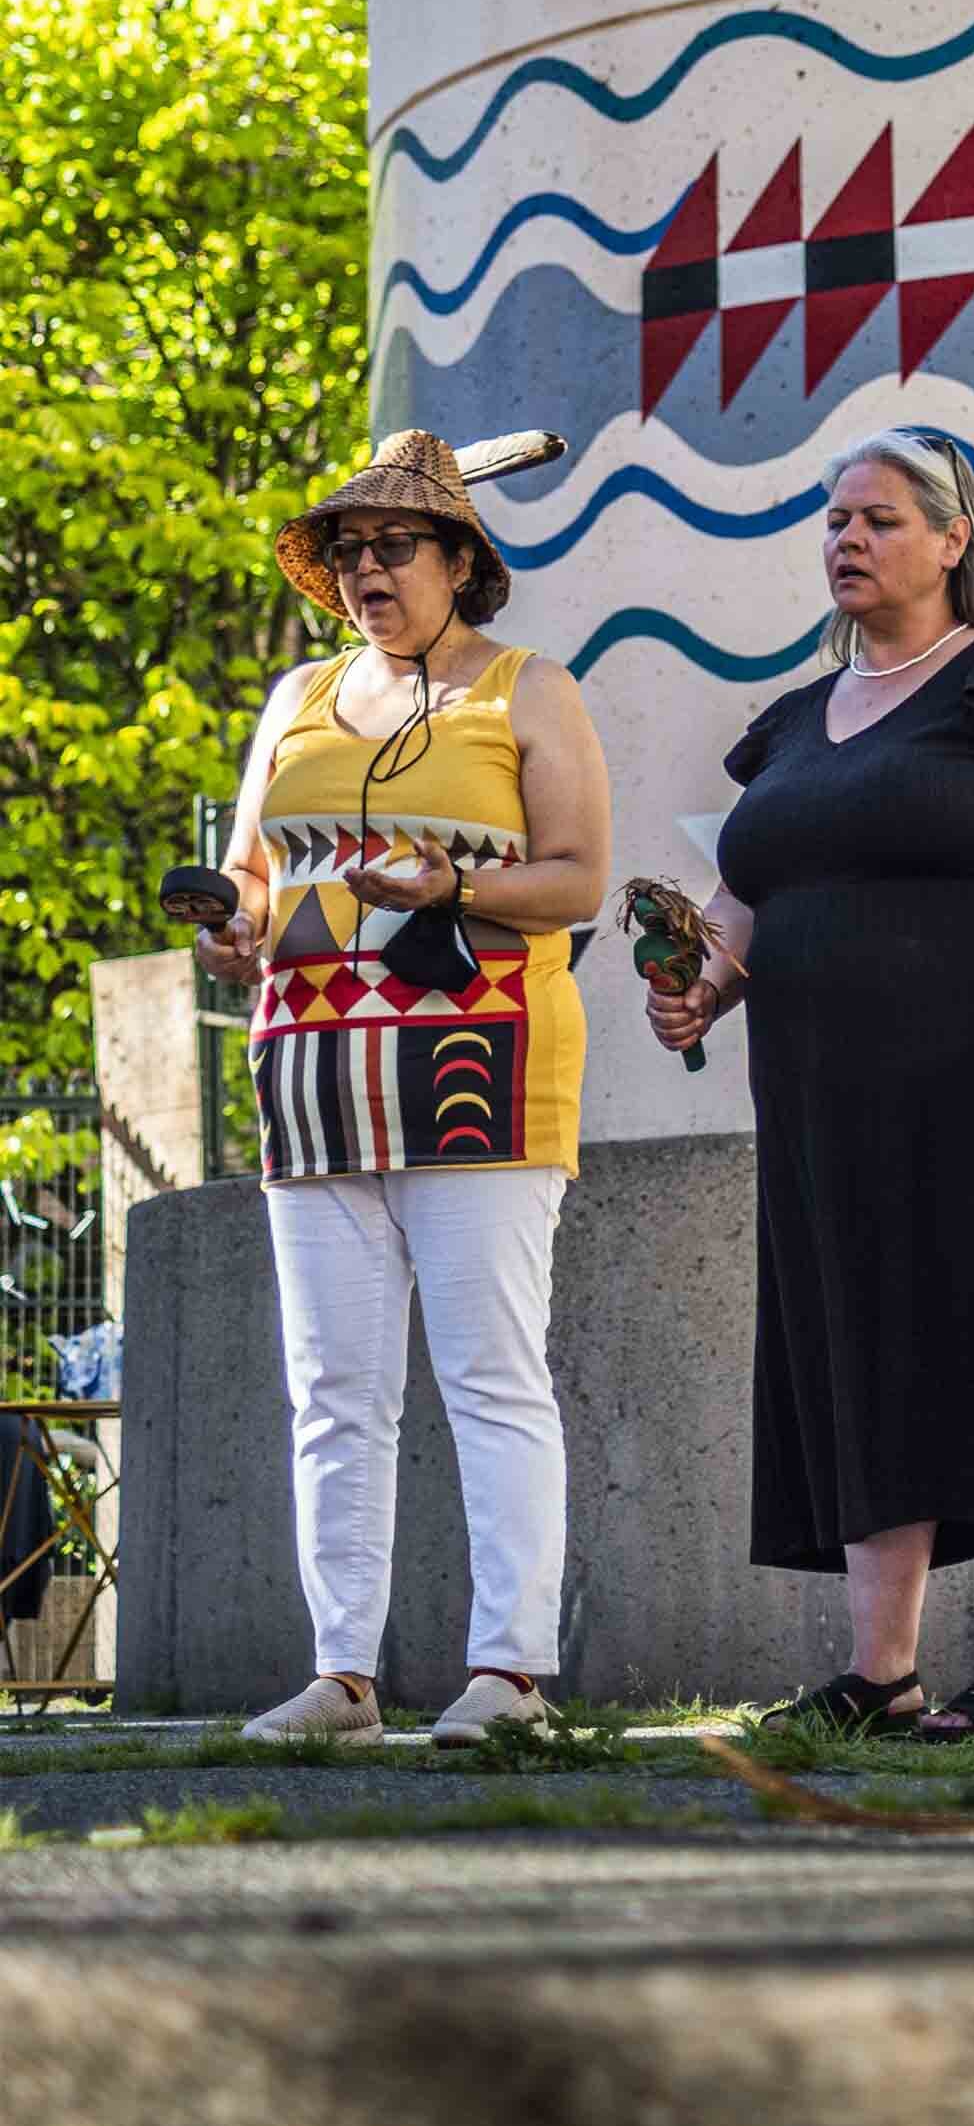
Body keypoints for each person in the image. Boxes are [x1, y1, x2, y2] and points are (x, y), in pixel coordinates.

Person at [642, 428, 974, 1742]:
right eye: (832, 520)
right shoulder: (789, 726)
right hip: (823, 1105)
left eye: (877, 518)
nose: (847, 540)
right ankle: (883, 1668)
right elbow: (746, 899)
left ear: (952, 539)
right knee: (855, 1348)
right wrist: (698, 980)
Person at [195, 429, 612, 1750]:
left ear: (458, 559)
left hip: (479, 1061)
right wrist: (235, 923)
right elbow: (253, 876)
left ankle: (512, 1675)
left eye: (395, 547)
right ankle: (344, 1677)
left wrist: (453, 887)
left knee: (492, 1372)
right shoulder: (297, 697)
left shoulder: (531, 690)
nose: (368, 570)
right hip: (312, 1069)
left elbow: (581, 878)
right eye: (349, 550)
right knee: (332, 1384)